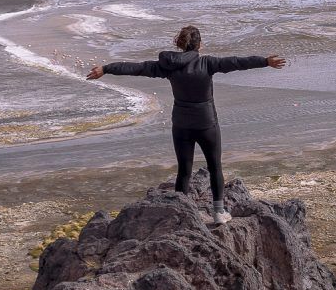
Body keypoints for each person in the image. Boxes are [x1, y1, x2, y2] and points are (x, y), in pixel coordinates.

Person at [87, 25, 285, 224]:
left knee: (184, 170)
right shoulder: (208, 63)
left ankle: (180, 214)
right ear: (200, 44)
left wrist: (106, 69)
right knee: (215, 167)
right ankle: (218, 213)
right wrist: (265, 62)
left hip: (181, 125)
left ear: (181, 44)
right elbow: (236, 62)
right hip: (206, 123)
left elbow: (136, 68)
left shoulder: (168, 66)